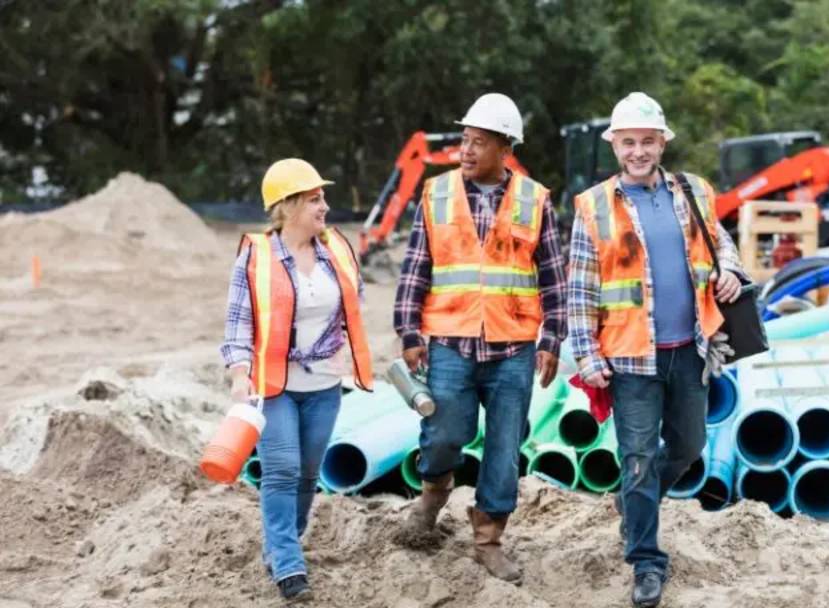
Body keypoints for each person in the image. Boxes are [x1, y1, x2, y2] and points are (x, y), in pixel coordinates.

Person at [567, 92, 747, 608]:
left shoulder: (693, 191)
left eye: (648, 141)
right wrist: (587, 354)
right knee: (639, 459)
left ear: (662, 142)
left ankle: (634, 504)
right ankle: (646, 560)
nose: (639, 151)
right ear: (615, 146)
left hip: (688, 348)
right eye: (629, 142)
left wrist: (730, 270)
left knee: (688, 447)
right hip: (627, 356)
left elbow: (719, 241)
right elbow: (581, 288)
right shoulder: (594, 206)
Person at [392, 93, 567, 584]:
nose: (467, 150)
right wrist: (409, 329)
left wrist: (552, 340)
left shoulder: (535, 201)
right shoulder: (436, 193)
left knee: (505, 448)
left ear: (504, 149)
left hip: (513, 346)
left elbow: (554, 277)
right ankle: (433, 496)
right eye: (465, 140)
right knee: (446, 431)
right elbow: (415, 267)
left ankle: (488, 538)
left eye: (479, 142)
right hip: (450, 340)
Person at [221, 158, 373, 602]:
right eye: (314, 199)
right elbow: (238, 322)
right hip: (274, 385)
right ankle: (288, 564)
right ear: (286, 207)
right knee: (283, 469)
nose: (325, 206)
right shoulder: (257, 255)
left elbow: (354, 300)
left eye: (323, 197)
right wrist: (237, 374)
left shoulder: (337, 250)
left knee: (308, 473)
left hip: (325, 385)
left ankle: (282, 541)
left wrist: (334, 342)